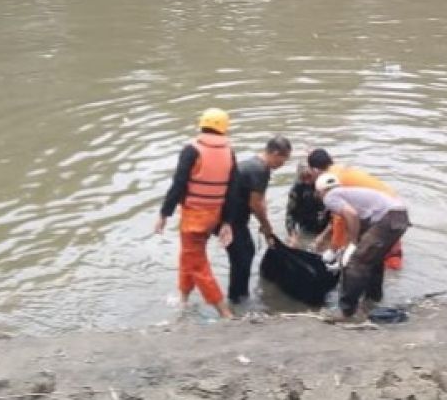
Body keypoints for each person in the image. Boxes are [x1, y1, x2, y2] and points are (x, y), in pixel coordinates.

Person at [154, 108, 237, 319]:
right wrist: (227, 221)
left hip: (194, 218)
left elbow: (179, 183)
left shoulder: (192, 149)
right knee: (188, 255)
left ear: (202, 125)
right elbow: (232, 189)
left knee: (198, 263)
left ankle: (224, 312)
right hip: (213, 216)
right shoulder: (229, 152)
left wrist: (164, 214)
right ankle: (183, 299)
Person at [315, 173, 410, 320]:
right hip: (399, 217)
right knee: (373, 260)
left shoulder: (330, 197)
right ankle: (372, 300)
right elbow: (356, 222)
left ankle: (345, 312)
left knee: (356, 263)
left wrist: (353, 244)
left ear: (320, 191)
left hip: (388, 217)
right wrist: (344, 249)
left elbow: (351, 216)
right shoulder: (349, 194)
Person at [305, 149, 403, 284]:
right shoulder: (339, 171)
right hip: (393, 206)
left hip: (385, 213)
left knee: (370, 258)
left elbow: (340, 219)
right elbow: (340, 217)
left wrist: (334, 249)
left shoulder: (332, 183)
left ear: (315, 170)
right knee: (379, 254)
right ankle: (380, 291)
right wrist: (327, 238)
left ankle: (388, 283)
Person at [224, 135, 292, 304]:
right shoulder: (259, 170)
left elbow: (260, 200)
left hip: (232, 217)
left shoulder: (256, 165)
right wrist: (267, 226)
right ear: (275, 153)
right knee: (242, 257)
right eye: (283, 160)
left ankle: (239, 295)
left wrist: (265, 225)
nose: (282, 165)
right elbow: (255, 204)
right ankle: (237, 299)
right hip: (230, 220)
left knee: (246, 253)